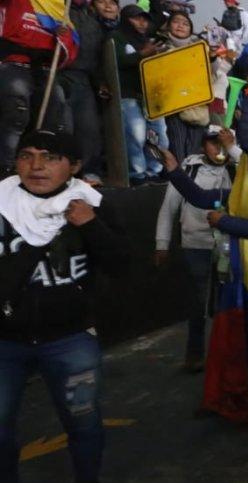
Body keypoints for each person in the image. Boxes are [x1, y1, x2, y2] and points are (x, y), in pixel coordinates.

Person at [0, 129, 129, 482]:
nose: (36, 166)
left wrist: (91, 227)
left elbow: (122, 265)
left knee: (84, 424)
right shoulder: (1, 202)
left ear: (73, 166)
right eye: (27, 155)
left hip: (70, 340)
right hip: (5, 343)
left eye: (50, 157)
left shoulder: (94, 205)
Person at [154, 127, 238, 372]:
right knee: (197, 303)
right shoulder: (188, 170)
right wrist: (162, 243)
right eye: (213, 143)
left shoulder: (238, 169)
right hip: (195, 244)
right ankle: (195, 354)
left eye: (224, 143)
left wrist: (233, 150)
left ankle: (227, 354)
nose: (218, 149)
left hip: (227, 245)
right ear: (203, 146)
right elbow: (169, 207)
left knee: (227, 302)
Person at [0, 0, 78, 172]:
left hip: (46, 70)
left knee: (54, 123)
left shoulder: (57, 3)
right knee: (16, 117)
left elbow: (71, 49)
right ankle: (6, 172)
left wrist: (65, 38)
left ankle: (44, 174)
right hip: (14, 65)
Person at [112, 5, 169, 184]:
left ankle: (154, 171)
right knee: (135, 137)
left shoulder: (149, 40)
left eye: (144, 19)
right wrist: (142, 54)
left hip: (151, 97)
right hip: (128, 95)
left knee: (158, 137)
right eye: (136, 18)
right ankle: (137, 175)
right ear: (125, 19)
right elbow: (114, 60)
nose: (142, 22)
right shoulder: (116, 37)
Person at [61, 0, 106, 181]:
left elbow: (97, 56)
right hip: (62, 75)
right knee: (64, 126)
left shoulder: (92, 20)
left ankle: (87, 172)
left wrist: (99, 83)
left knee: (89, 129)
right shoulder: (58, 9)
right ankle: (63, 172)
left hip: (85, 79)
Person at [161, 12, 209, 163]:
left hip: (197, 107)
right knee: (178, 152)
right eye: (176, 22)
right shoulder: (159, 46)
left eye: (185, 23)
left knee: (193, 155)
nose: (180, 25)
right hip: (174, 108)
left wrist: (213, 55)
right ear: (168, 26)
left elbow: (214, 72)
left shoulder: (203, 48)